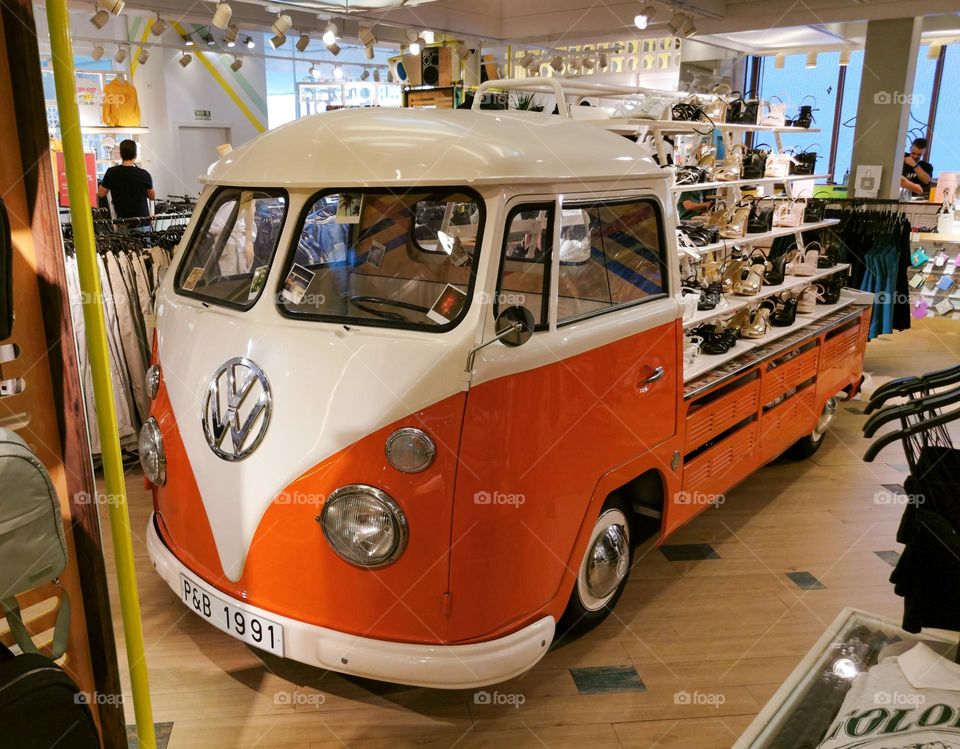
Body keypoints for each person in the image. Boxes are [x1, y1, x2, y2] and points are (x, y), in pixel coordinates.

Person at [98, 139, 155, 220]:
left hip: (123, 221)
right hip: (143, 221)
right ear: (135, 155)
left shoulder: (111, 173)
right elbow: (152, 196)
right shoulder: (144, 174)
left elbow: (101, 193)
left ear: (121, 154)